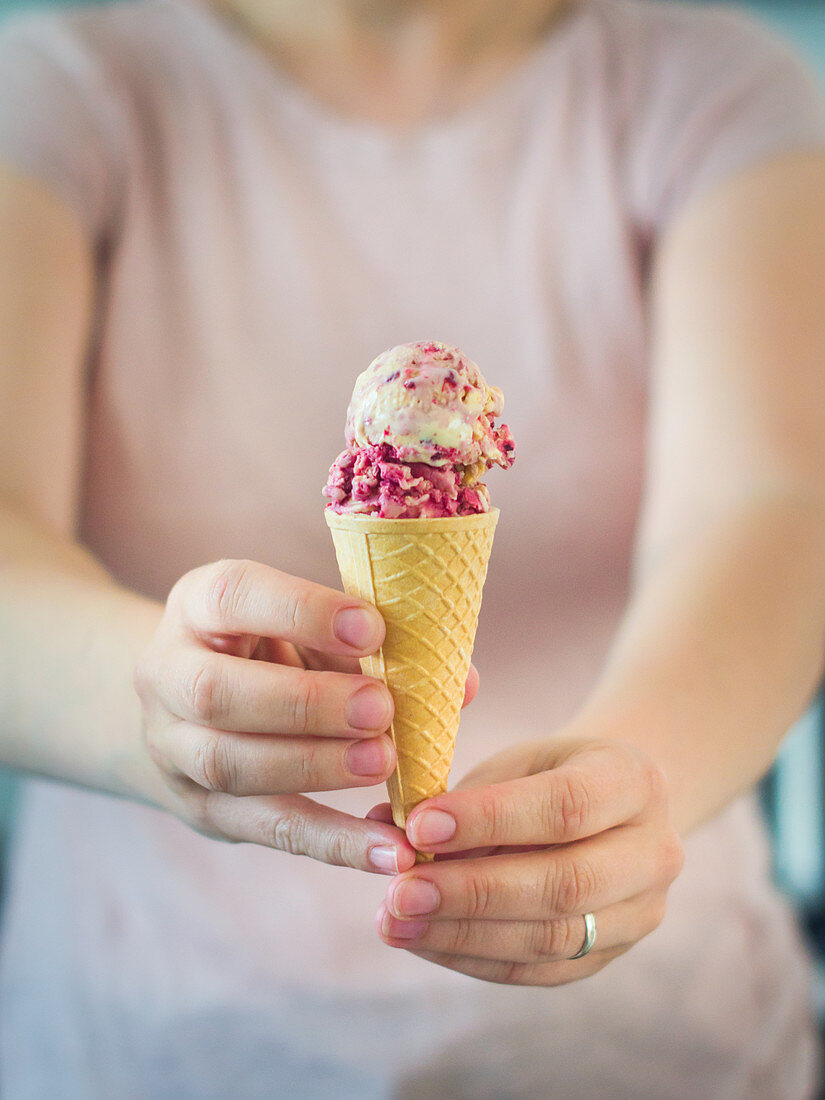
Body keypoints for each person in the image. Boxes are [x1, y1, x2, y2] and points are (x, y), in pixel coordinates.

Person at [1, 0, 824, 1094]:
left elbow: (772, 502)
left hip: (649, 1042)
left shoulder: (713, 81)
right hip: (149, 1036)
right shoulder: (64, 86)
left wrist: (630, 783)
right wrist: (152, 697)